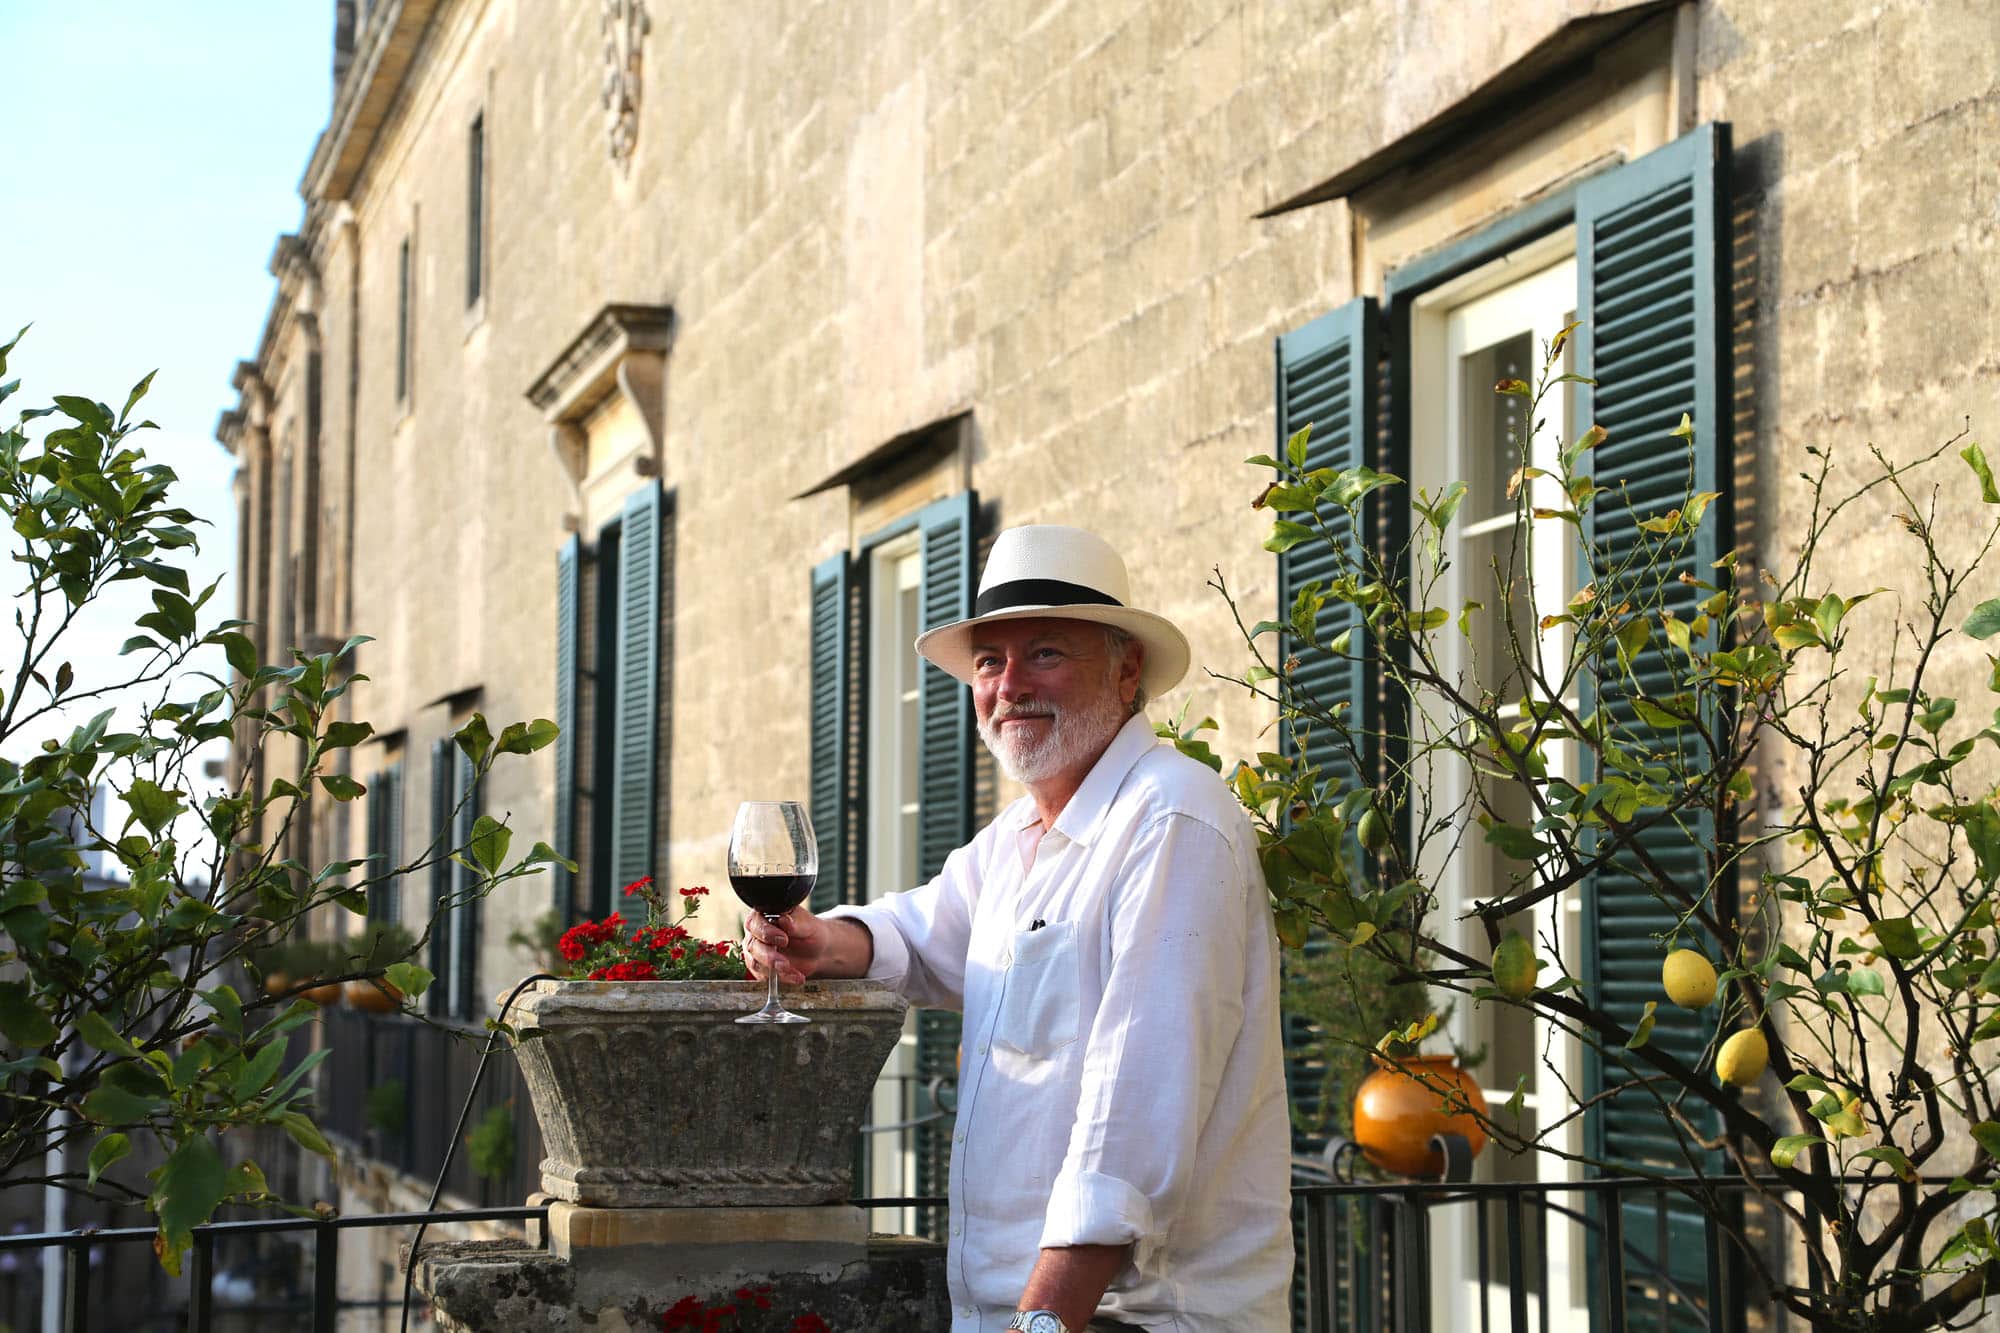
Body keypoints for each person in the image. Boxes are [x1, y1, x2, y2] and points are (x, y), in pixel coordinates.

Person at [745, 525, 1292, 1333]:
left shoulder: (1171, 816)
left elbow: (1134, 1110)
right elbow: (926, 932)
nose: (1010, 685)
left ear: (1126, 667)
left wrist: (1041, 1322)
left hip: (1130, 1318)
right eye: (990, 661)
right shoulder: (1016, 840)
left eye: (1045, 653)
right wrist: (818, 940)